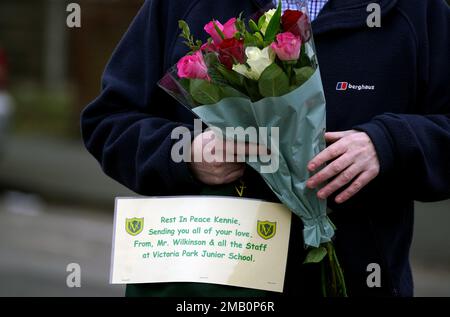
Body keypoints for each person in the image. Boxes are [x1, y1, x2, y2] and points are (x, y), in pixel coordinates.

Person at [81, 0, 450, 297]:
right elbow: (110, 121)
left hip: (357, 279)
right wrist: (186, 154)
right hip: (209, 285)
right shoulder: (181, 6)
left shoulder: (416, 11)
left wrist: (388, 145)